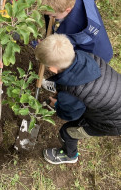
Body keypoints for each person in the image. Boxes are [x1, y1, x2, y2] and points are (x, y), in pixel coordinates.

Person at [35, 34, 121, 165]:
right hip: (111, 98)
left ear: (52, 68)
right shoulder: (88, 57)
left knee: (69, 132)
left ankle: (70, 155)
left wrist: (58, 105)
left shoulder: (72, 94)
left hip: (112, 123)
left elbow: (70, 115)